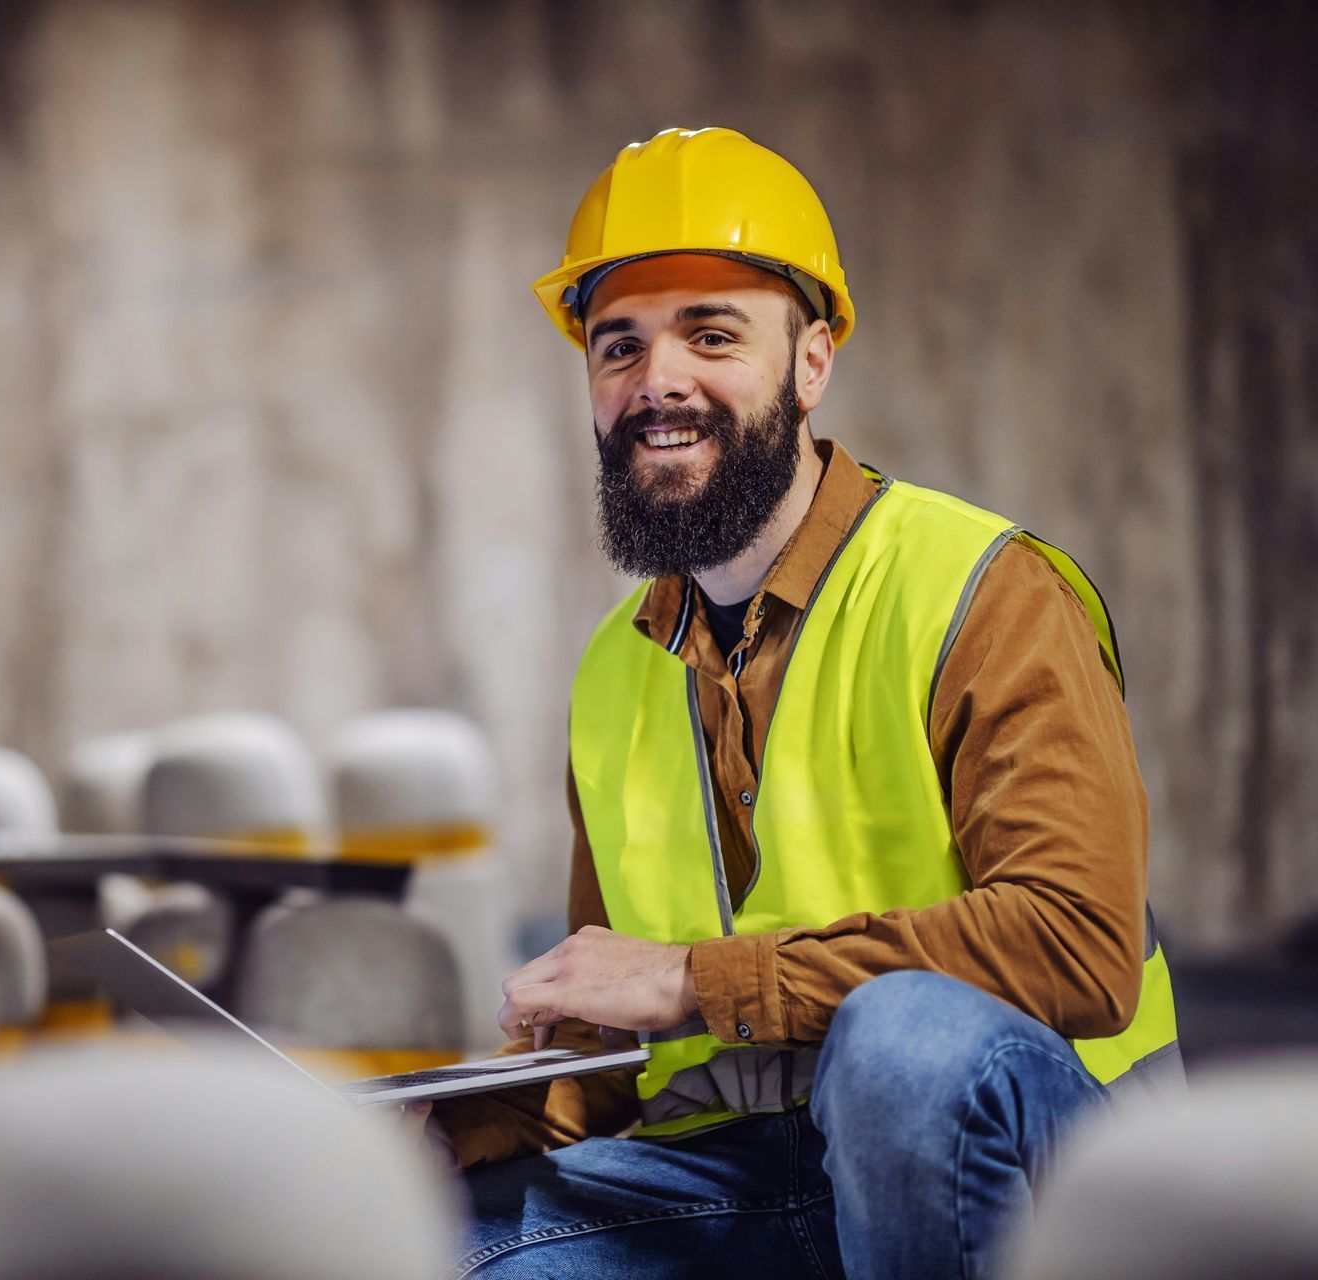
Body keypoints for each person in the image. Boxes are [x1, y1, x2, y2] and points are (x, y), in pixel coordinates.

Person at [416, 127, 1181, 1279]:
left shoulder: (982, 590)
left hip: (1045, 1177)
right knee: (430, 1246)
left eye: (711, 335)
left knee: (903, 1043)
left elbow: (1079, 943)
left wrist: (691, 978)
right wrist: (443, 1133)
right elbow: (608, 1053)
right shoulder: (616, 672)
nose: (656, 380)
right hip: (753, 1175)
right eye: (618, 346)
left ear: (813, 361)